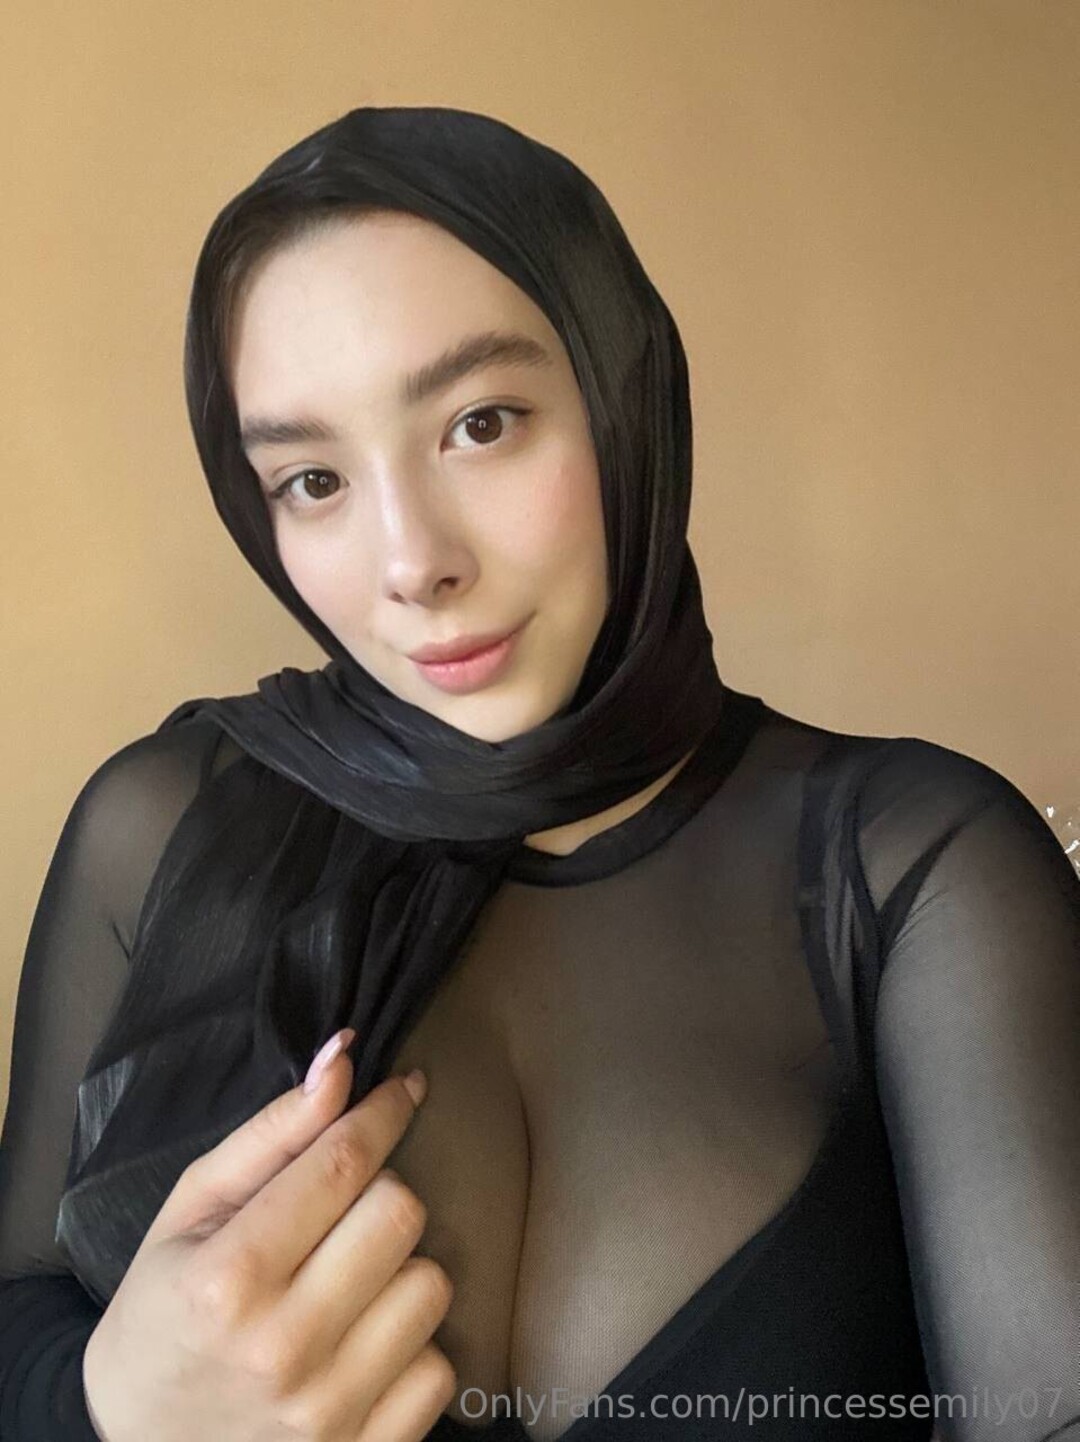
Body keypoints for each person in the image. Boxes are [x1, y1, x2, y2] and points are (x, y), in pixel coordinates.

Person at [0, 105, 1077, 1442]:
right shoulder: (160, 826)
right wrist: (107, 1405)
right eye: (314, 481)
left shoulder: (915, 871)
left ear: (623, 399)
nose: (413, 564)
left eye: (481, 422)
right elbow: (22, 1300)